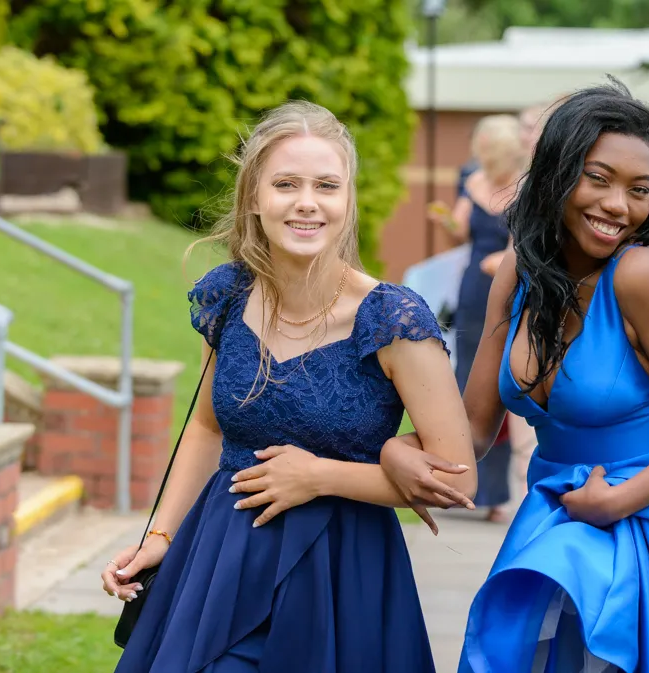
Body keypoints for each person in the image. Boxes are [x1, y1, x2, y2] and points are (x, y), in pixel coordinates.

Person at [384, 80, 649, 672]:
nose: (619, 205)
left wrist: (618, 502)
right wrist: (397, 450)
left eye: (639, 190)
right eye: (599, 178)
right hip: (557, 517)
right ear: (557, 173)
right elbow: (474, 431)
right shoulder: (518, 270)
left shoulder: (642, 278)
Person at [102, 100, 478, 673]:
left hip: (341, 572)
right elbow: (205, 427)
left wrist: (321, 475)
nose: (307, 202)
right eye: (286, 184)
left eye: (327, 185)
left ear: (348, 200)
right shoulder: (227, 296)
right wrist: (161, 535)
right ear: (256, 197)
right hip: (222, 557)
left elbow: (458, 477)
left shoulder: (394, 319)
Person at [427, 114, 528, 522]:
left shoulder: (523, 188)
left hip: (503, 288)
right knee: (465, 379)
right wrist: (445, 221)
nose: (482, 157)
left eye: (489, 150)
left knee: (496, 387)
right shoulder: (473, 181)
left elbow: (519, 244)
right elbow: (461, 232)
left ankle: (496, 494)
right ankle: (458, 482)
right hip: (472, 287)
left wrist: (503, 261)